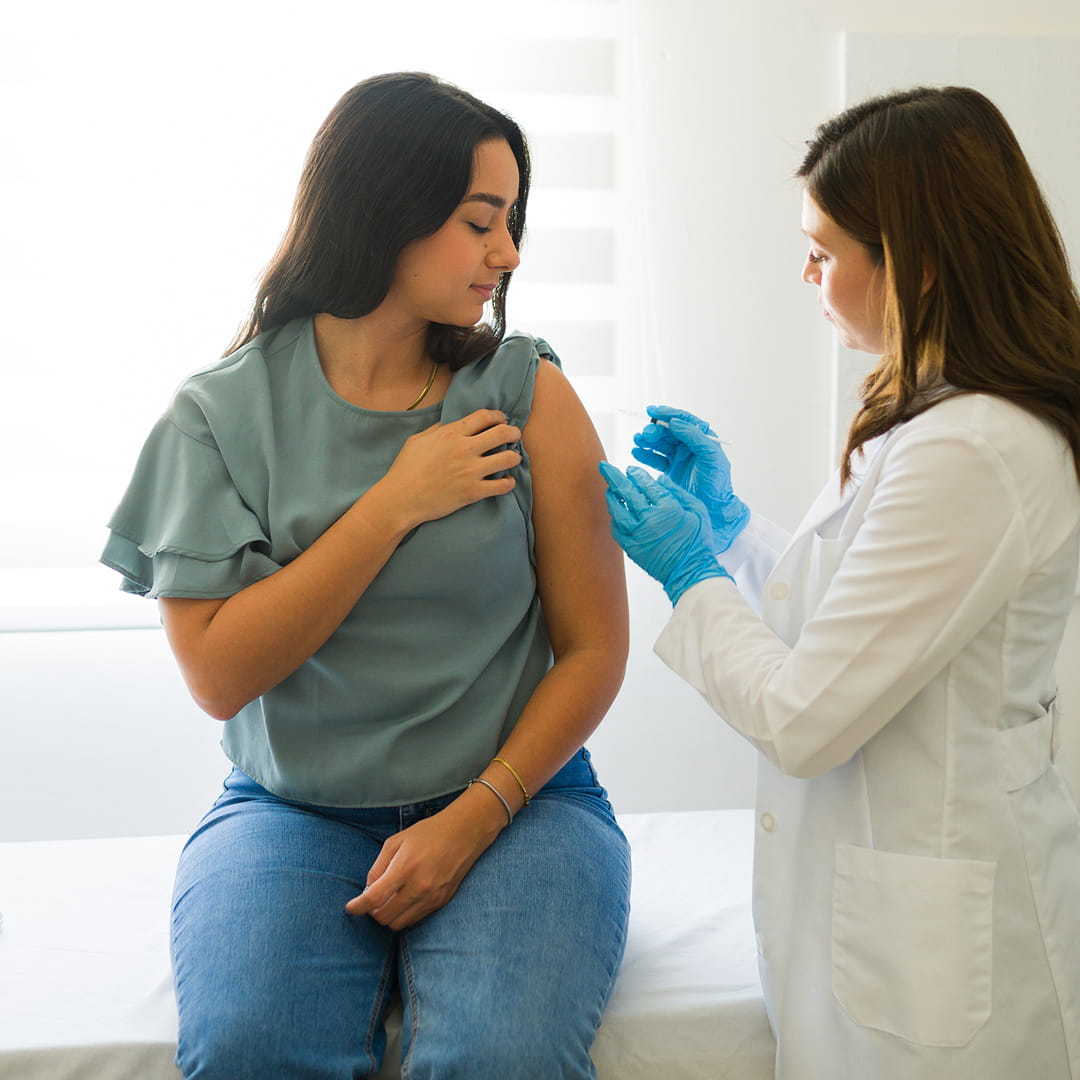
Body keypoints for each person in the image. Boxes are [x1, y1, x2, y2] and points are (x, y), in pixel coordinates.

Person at [101, 72, 631, 1080]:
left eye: (512, 221)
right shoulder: (216, 418)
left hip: (521, 802)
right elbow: (218, 674)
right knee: (249, 1049)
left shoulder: (526, 393)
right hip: (293, 808)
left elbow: (596, 646)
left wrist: (472, 818)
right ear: (385, 211)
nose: (508, 254)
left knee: (502, 1058)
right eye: (482, 221)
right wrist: (393, 504)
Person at [600, 86, 1080, 1079]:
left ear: (922, 259)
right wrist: (734, 537)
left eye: (825, 251)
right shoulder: (934, 418)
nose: (806, 273)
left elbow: (807, 717)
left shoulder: (978, 448)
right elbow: (861, 616)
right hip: (890, 916)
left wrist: (690, 574)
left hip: (939, 964)